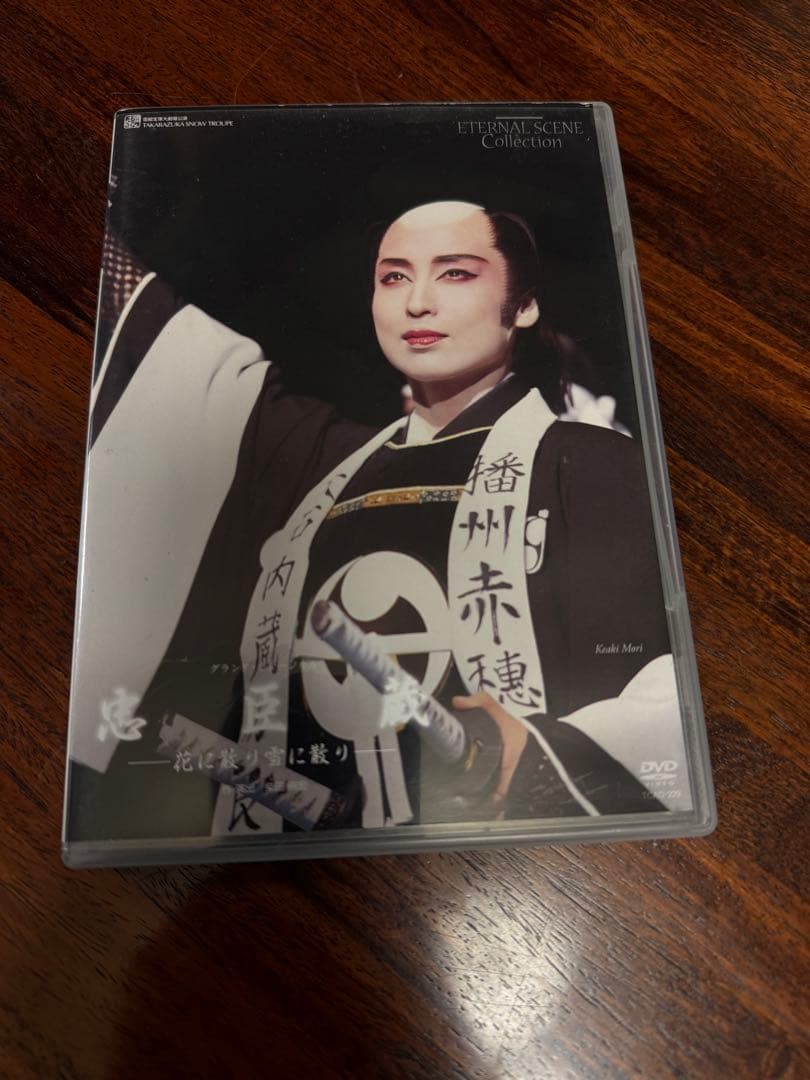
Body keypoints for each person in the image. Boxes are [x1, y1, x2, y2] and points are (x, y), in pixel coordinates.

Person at [66, 200, 691, 843]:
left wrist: (540, 752)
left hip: (510, 847)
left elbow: (667, 684)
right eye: (394, 277)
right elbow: (172, 355)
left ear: (524, 305)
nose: (417, 303)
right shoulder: (324, 465)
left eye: (455, 273)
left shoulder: (592, 464)